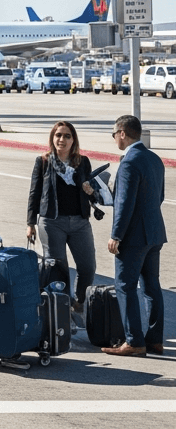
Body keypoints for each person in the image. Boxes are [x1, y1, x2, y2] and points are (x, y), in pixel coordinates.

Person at [103, 114, 166, 357]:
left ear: (122, 133)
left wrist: (116, 235)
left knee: (125, 286)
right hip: (155, 234)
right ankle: (155, 341)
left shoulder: (129, 162)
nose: (114, 139)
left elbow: (125, 203)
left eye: (113, 134)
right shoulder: (154, 159)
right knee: (152, 287)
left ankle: (134, 341)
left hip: (133, 237)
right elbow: (159, 197)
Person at [26, 120, 97, 310]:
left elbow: (93, 193)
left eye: (67, 136)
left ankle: (79, 302)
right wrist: (30, 223)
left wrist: (91, 191)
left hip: (80, 222)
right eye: (58, 135)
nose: (62, 140)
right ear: (52, 138)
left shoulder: (83, 163)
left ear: (74, 140)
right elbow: (35, 193)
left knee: (88, 267)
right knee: (58, 270)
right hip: (51, 223)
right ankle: (62, 307)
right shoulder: (43, 161)